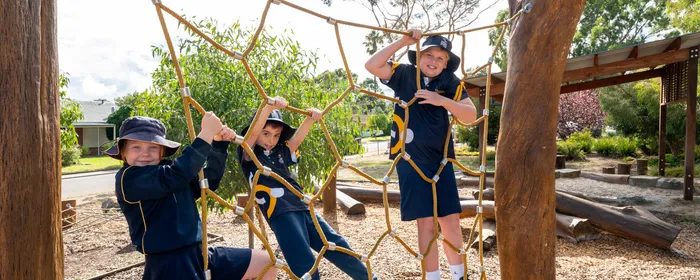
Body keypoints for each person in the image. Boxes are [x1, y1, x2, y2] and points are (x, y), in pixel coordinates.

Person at [364, 29, 477, 280]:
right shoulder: (404, 73)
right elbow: (372, 65)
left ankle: (459, 275)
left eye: (440, 58)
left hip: (441, 161)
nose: (434, 61)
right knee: (425, 222)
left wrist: (442, 101)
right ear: (419, 55)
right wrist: (405, 40)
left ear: (446, 63)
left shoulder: (449, 82)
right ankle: (433, 276)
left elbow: (471, 114)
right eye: (429, 54)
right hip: (410, 160)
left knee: (450, 220)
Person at [106, 114, 276, 280]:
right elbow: (178, 174)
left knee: (266, 263)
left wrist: (218, 144)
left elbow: (207, 182)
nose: (145, 153)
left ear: (162, 152)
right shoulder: (129, 179)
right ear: (123, 153)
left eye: (153, 147)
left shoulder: (169, 172)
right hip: (169, 263)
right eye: (136, 147)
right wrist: (206, 133)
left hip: (199, 253)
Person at [238, 97, 376, 280]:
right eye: (265, 134)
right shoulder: (249, 153)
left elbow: (295, 141)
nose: (271, 140)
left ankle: (368, 278)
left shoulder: (280, 151)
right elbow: (251, 136)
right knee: (304, 261)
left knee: (337, 245)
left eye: (276, 135)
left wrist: (310, 118)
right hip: (280, 212)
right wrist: (267, 107)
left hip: (303, 205)